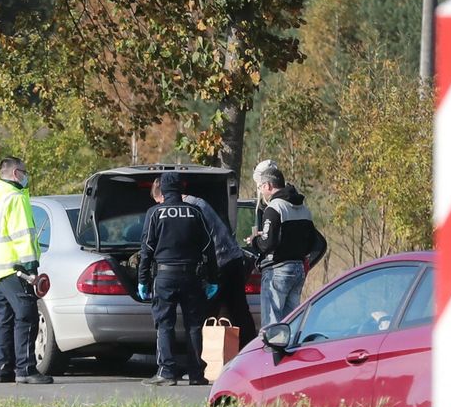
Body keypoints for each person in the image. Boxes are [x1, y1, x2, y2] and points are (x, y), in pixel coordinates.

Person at [138, 171, 218, 386]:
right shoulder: (195, 212)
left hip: (164, 276)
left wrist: (143, 279)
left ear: (162, 190)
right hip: (192, 276)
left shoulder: (155, 213)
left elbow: (146, 249)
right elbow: (209, 247)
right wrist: (212, 278)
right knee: (194, 326)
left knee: (165, 325)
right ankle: (196, 374)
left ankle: (166, 372)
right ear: (181, 189)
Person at [0, 156, 52, 384]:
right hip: (17, 268)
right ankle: (26, 369)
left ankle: (3, 369)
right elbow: (23, 236)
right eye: (24, 171)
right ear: (15, 174)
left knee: (5, 320)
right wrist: (31, 268)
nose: (26, 175)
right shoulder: (16, 199)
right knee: (27, 315)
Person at [171, 180, 258, 348]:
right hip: (232, 259)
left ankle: (203, 361)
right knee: (238, 311)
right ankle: (248, 352)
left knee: (205, 313)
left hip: (219, 263)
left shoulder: (190, 208)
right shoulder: (198, 203)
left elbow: (198, 241)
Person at [247, 159, 322, 326]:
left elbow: (267, 244)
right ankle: (289, 351)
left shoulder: (274, 208)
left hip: (278, 269)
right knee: (290, 322)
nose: (261, 192)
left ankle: (270, 351)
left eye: (260, 187)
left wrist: (255, 241)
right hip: (298, 270)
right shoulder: (304, 209)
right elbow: (312, 242)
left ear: (267, 185)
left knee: (272, 324)